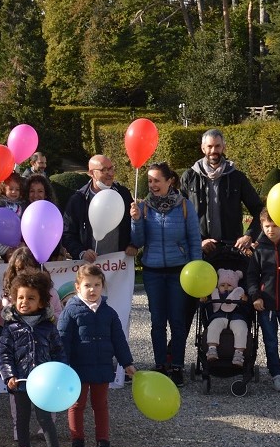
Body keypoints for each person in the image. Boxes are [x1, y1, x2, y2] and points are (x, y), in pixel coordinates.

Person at [130, 161, 201, 387]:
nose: (152, 185)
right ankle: (160, 365)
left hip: (179, 272)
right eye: (149, 181)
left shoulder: (185, 206)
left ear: (169, 181)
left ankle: (177, 366)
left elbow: (194, 241)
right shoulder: (143, 207)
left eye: (156, 180)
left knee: (178, 321)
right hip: (152, 272)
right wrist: (136, 220)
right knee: (157, 321)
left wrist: (196, 271)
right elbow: (138, 242)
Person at [57, 264, 135, 447]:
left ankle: (103, 441)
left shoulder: (109, 312)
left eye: (97, 285)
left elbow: (119, 340)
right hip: (77, 368)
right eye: (87, 285)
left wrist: (127, 363)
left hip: (102, 367)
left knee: (100, 405)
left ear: (102, 286)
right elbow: (62, 340)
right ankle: (77, 441)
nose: (92, 289)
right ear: (78, 287)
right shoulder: (70, 311)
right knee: (77, 405)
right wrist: (61, 366)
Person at [0, 271, 66, 447]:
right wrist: (9, 375)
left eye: (30, 298)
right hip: (20, 382)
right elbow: (4, 354)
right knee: (22, 417)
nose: (24, 302)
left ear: (42, 302)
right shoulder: (10, 328)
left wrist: (61, 373)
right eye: (20, 297)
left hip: (44, 384)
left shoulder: (48, 327)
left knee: (45, 417)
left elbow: (58, 352)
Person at [179, 128, 263, 256]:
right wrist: (199, 241)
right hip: (200, 249)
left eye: (217, 146)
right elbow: (179, 215)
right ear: (203, 148)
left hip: (231, 249)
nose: (213, 151)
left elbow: (259, 210)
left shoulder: (237, 177)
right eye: (209, 146)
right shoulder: (189, 177)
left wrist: (249, 235)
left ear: (223, 147)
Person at [62, 155, 137, 263]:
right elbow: (68, 233)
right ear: (91, 173)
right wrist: (81, 252)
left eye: (111, 168)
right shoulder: (78, 200)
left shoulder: (123, 194)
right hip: (89, 267)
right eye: (104, 170)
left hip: (118, 267)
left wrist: (132, 244)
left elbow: (133, 224)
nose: (110, 174)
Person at [247, 208, 280, 391]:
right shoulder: (259, 249)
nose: (271, 230)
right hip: (267, 304)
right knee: (270, 341)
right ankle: (276, 374)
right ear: (262, 226)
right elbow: (252, 277)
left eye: (274, 226)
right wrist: (255, 296)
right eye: (267, 226)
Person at [203, 268, 251, 365]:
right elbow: (209, 311)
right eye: (222, 285)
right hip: (219, 316)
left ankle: (239, 353)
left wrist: (245, 302)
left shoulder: (238, 294)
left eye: (229, 285)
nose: (225, 287)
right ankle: (212, 348)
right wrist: (204, 302)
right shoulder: (215, 294)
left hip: (237, 317)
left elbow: (247, 312)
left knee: (241, 329)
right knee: (213, 327)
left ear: (235, 287)